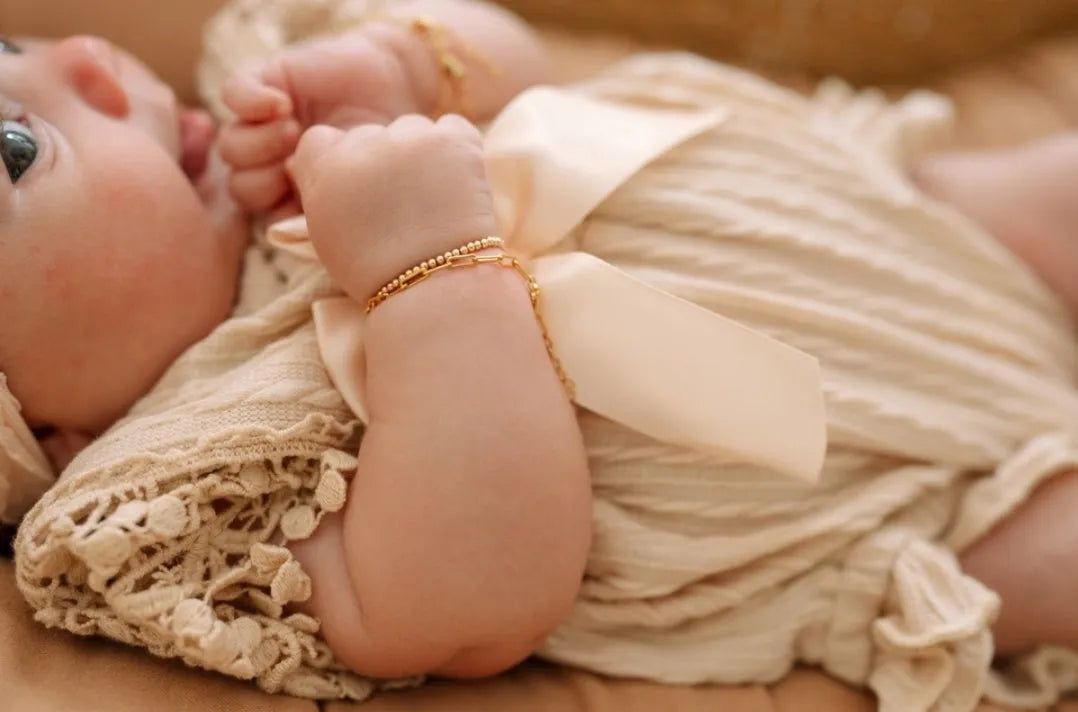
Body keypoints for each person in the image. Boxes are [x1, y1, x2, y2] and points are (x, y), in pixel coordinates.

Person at [3, 0, 1076, 708]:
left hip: (887, 205)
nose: (86, 60)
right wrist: (429, 271)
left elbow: (513, 62)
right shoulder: (193, 481)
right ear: (31, 423)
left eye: (12, 53)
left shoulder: (272, 115)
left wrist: (399, 66)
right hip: (882, 503)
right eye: (16, 147)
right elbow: (474, 595)